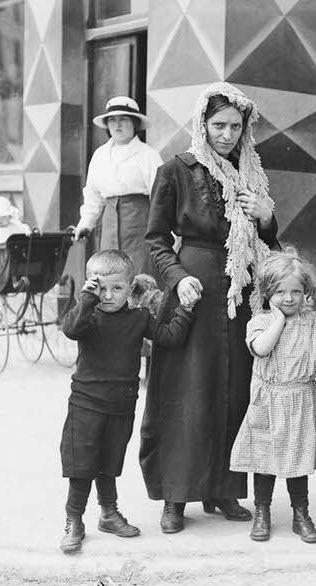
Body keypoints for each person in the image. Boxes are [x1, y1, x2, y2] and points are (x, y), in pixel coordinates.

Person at [140, 82, 279, 533]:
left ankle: (222, 489)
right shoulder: (177, 169)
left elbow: (268, 240)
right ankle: (176, 494)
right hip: (193, 291)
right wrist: (178, 280)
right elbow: (155, 241)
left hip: (240, 293)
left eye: (235, 126)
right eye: (218, 125)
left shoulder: (252, 173)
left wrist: (265, 214)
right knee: (187, 391)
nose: (226, 135)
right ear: (202, 123)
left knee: (233, 390)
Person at [58, 250, 195, 554]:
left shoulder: (138, 318)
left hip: (121, 406)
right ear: (90, 286)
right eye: (100, 287)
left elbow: (169, 337)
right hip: (85, 405)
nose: (108, 295)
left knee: (109, 463)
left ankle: (108, 514)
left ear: (130, 288)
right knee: (81, 465)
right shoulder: (88, 317)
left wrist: (185, 310)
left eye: (117, 288)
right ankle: (74, 520)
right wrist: (86, 299)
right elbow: (70, 330)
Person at [230, 251, 316, 543]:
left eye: (296, 291)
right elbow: (261, 349)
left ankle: (301, 513)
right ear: (268, 292)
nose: (289, 298)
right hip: (268, 401)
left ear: (306, 292)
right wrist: (278, 320)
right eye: (280, 292)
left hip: (300, 401)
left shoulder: (314, 322)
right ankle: (262, 512)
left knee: (299, 461)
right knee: (264, 460)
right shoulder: (260, 322)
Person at [73, 96, 163, 277]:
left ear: (135, 123)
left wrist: (162, 232)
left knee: (139, 278)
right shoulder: (100, 155)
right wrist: (85, 224)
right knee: (109, 276)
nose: (117, 125)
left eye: (123, 119)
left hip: (140, 225)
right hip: (109, 225)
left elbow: (161, 197)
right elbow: (92, 195)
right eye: (112, 120)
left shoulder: (148, 155)